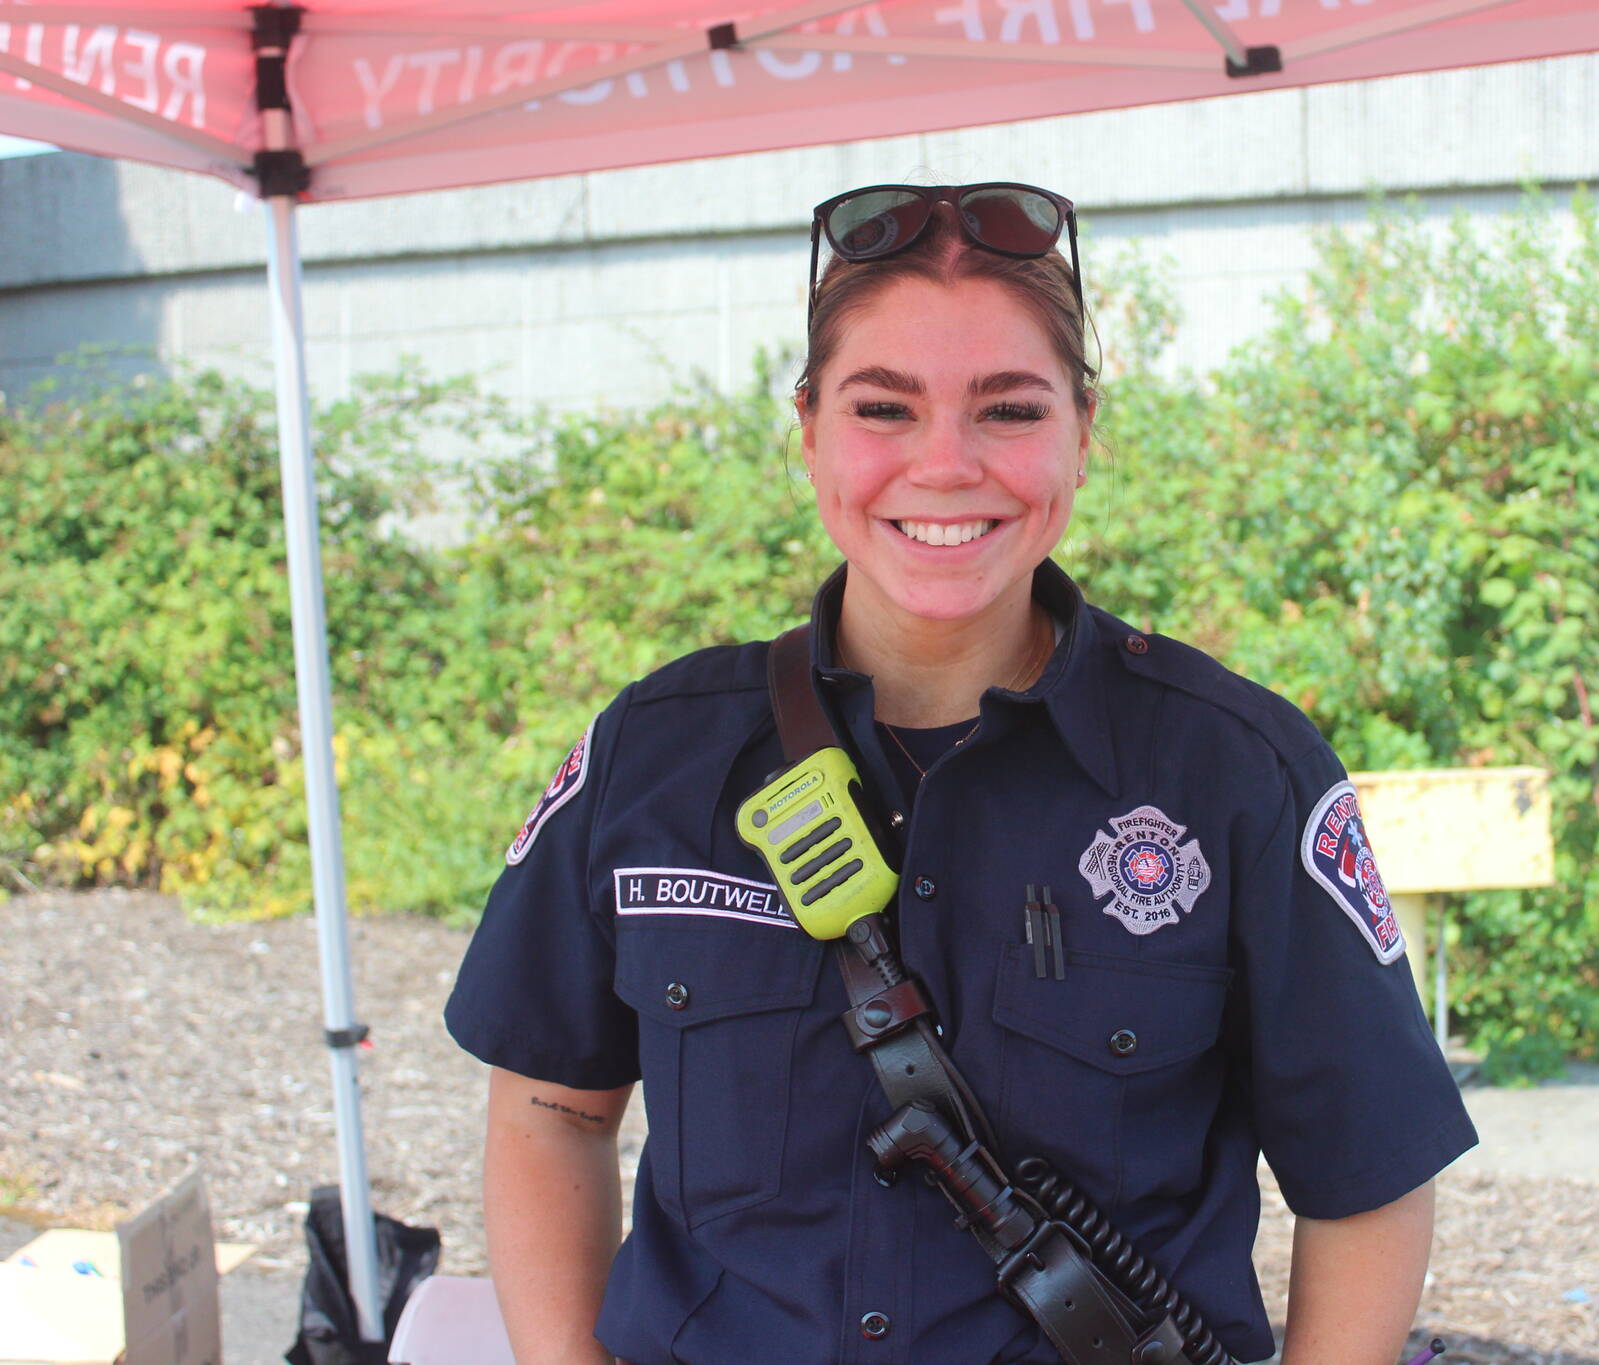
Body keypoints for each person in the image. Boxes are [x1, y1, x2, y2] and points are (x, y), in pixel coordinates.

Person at [445, 182, 1477, 1365]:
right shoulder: (653, 754)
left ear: (1082, 431)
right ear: (809, 432)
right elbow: (545, 1111)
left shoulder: (1236, 775)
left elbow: (1368, 1177)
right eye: (883, 407)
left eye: (1008, 409)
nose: (944, 465)